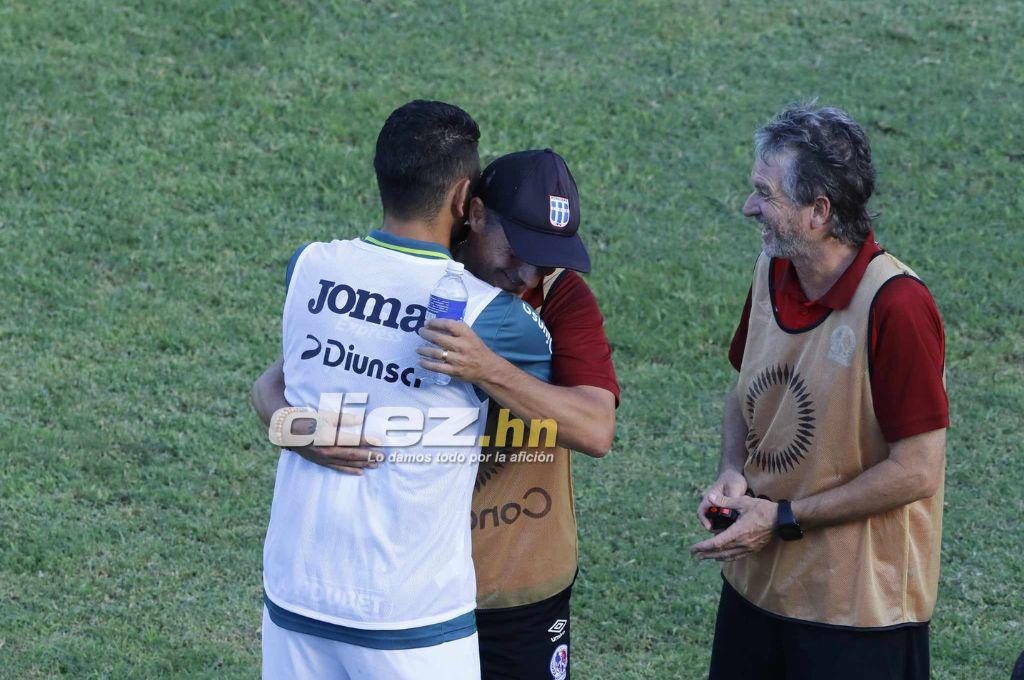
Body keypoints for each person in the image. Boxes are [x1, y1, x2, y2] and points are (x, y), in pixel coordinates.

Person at [253, 149, 620, 680]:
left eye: (545, 256)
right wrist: (296, 430)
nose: (526, 272)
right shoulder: (413, 280)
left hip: (515, 590)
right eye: (517, 248)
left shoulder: (563, 297)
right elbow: (274, 383)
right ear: (472, 214)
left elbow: (595, 428)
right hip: (406, 591)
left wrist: (488, 368)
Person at [690, 104, 948, 680]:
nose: (748, 206)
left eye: (765, 193)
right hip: (757, 589)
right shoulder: (772, 268)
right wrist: (733, 469)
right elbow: (747, 387)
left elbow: (917, 471)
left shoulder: (898, 307)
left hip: (857, 614)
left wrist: (783, 517)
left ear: (818, 212)